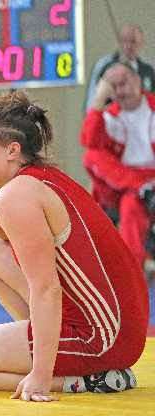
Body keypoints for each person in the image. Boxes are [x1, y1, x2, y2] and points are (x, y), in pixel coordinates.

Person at [0, 91, 147, 402]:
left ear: (12, 150)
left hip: (102, 338)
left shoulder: (15, 195)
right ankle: (56, 355)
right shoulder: (45, 178)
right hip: (121, 331)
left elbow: (47, 289)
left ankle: (83, 379)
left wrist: (41, 375)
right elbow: (60, 258)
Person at [81, 62, 155, 267]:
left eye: (124, 83)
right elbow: (88, 141)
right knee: (92, 155)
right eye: (113, 86)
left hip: (146, 182)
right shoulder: (108, 117)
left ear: (138, 81)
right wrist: (98, 100)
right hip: (123, 185)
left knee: (131, 205)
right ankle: (133, 274)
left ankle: (133, 269)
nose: (120, 91)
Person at [84, 24, 155, 111]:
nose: (128, 46)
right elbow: (93, 100)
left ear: (141, 43)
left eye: (133, 42)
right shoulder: (105, 66)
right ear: (119, 42)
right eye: (125, 41)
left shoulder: (148, 70)